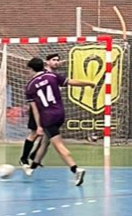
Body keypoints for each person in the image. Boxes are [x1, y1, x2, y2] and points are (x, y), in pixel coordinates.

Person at [22, 56, 90, 186]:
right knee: (44, 143)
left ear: (31, 69)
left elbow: (35, 110)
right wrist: (89, 83)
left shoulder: (30, 86)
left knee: (58, 145)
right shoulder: (52, 76)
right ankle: (33, 167)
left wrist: (39, 126)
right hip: (60, 113)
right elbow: (71, 82)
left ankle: (76, 169)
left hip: (47, 117)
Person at [19, 53, 63, 167]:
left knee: (46, 136)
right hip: (39, 108)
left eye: (58, 60)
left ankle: (35, 156)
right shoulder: (44, 74)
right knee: (35, 133)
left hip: (48, 110)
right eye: (54, 60)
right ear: (47, 62)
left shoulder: (53, 75)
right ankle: (24, 158)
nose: (56, 62)